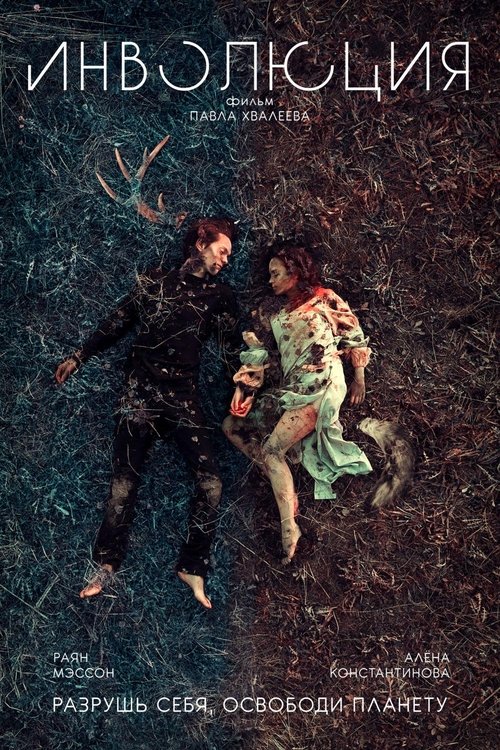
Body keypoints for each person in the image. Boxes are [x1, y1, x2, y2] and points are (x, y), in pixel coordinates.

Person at [55, 218, 238, 608]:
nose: (225, 260)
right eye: (222, 251)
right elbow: (118, 321)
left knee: (211, 484)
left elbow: (230, 350)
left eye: (229, 256)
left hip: (182, 397)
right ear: (201, 243)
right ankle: (106, 564)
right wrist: (79, 355)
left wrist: (244, 386)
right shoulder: (154, 281)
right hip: (139, 394)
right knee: (123, 483)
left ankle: (193, 567)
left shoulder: (220, 295)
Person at [223, 245, 372, 564]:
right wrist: (244, 390)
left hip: (321, 382)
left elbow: (353, 332)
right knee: (231, 427)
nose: (271, 280)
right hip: (292, 387)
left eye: (276, 274)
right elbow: (259, 355)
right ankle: (278, 477)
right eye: (269, 275)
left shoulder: (323, 298)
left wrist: (358, 376)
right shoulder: (273, 313)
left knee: (273, 450)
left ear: (294, 273)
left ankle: (289, 528)